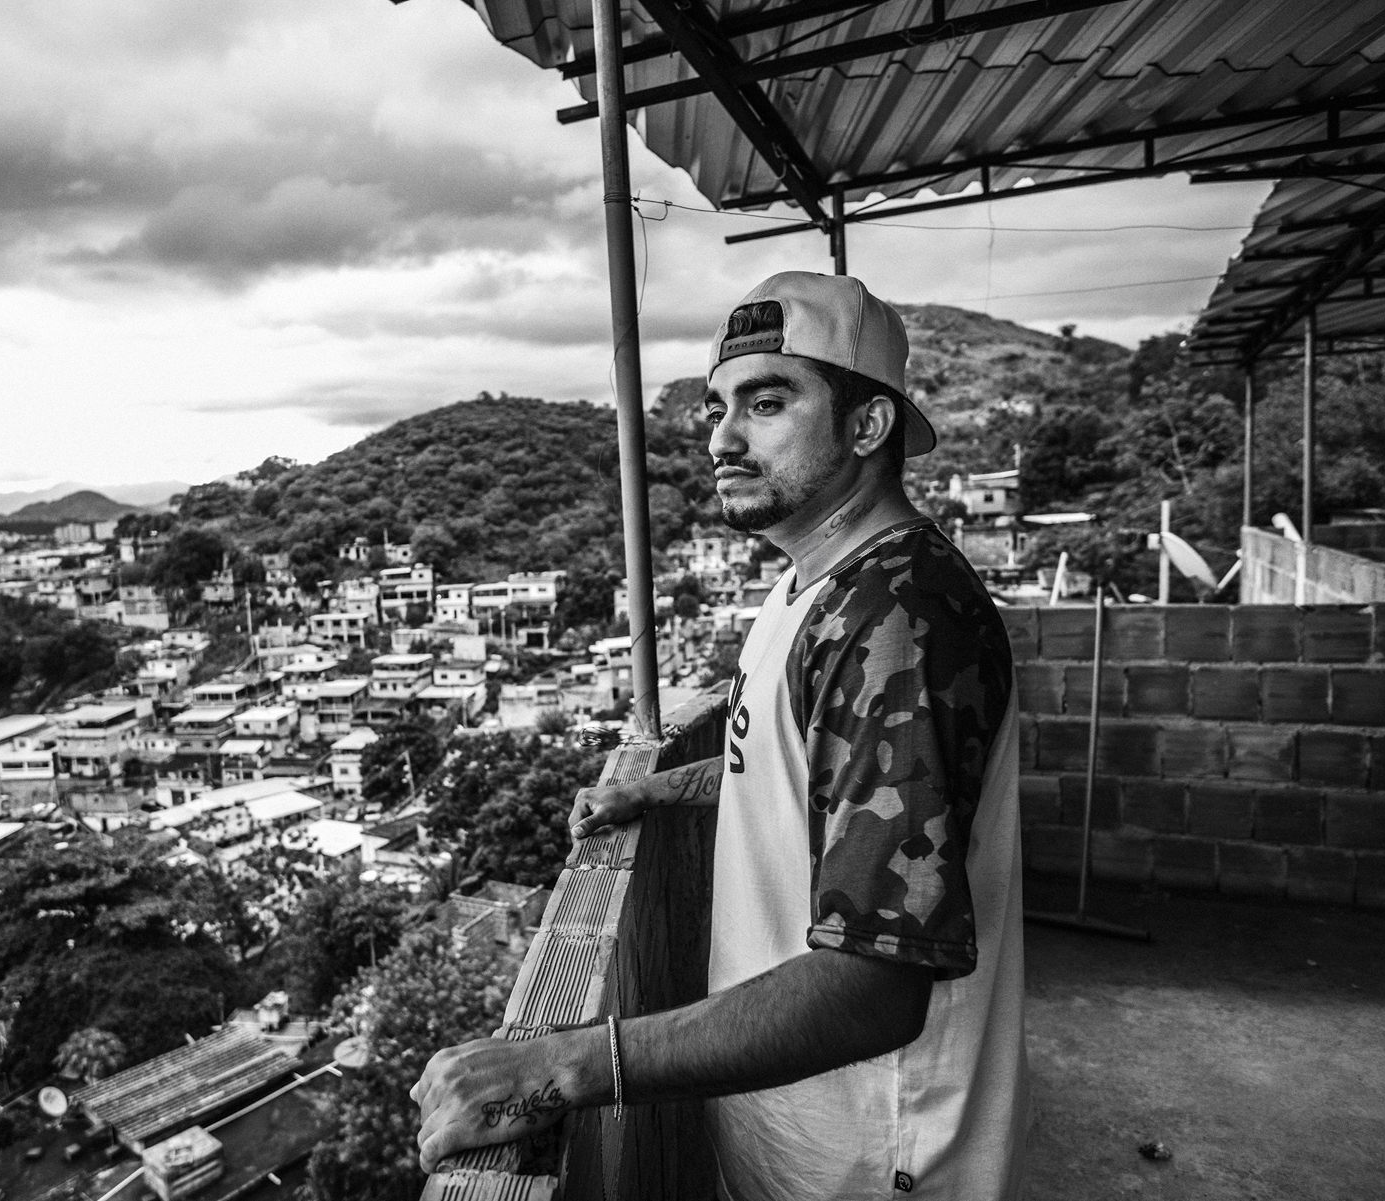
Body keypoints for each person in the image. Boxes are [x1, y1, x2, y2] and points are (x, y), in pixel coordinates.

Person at [412, 272, 1028, 1199]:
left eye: (768, 403)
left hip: (876, 1152)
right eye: (717, 407)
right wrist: (656, 789)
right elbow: (797, 770)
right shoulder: (811, 583)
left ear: (868, 428)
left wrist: (561, 1063)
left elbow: (877, 981)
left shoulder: (900, 621)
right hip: (802, 1130)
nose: (721, 438)